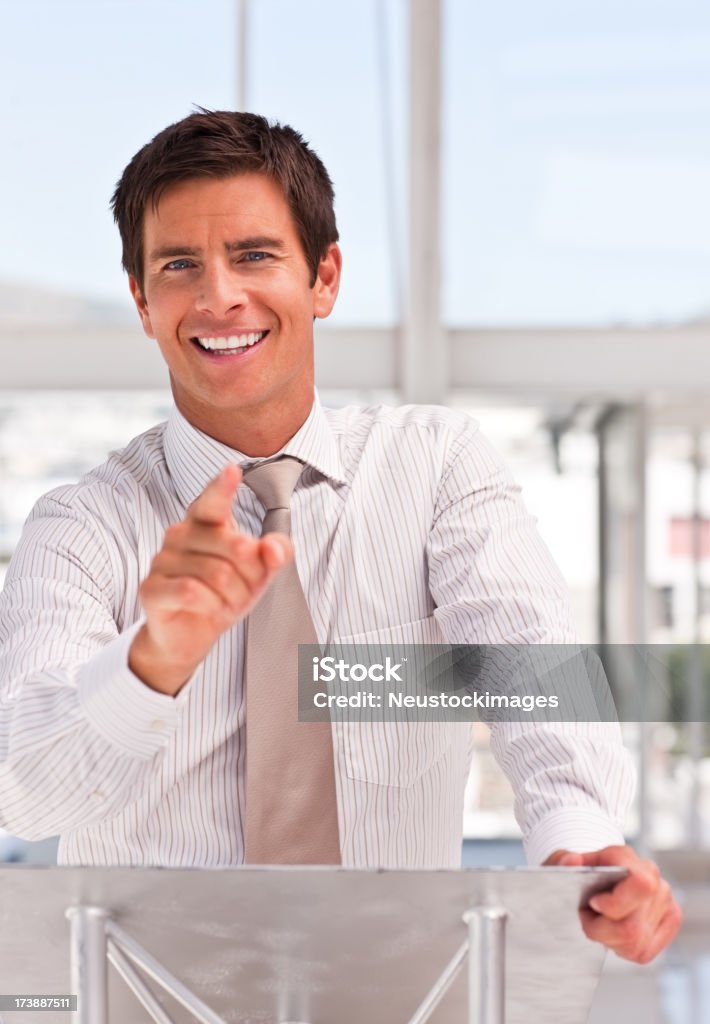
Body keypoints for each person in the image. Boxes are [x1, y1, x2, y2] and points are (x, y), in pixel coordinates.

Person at [0, 110, 680, 963]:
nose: (218, 296)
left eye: (254, 254)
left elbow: (534, 669)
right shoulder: (80, 526)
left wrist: (578, 839)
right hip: (152, 997)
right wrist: (154, 658)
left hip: (400, 989)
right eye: (179, 265)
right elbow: (25, 791)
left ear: (323, 278)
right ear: (142, 301)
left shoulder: (436, 466)